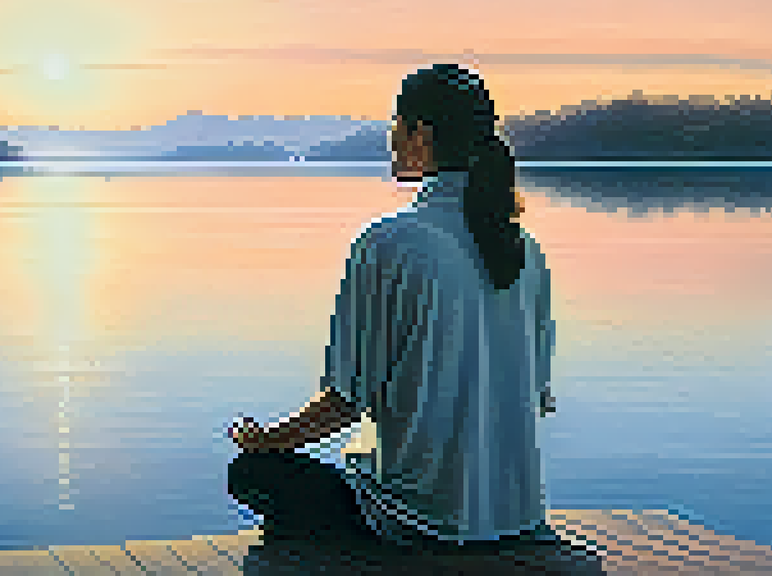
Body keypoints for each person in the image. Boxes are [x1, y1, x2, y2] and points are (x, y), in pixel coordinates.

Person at [228, 63, 563, 556]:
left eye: (395, 126)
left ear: (419, 136)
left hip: (419, 523)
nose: (390, 138)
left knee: (252, 475)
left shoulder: (389, 243)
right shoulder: (524, 250)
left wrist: (266, 440)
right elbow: (535, 397)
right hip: (517, 518)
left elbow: (344, 403)